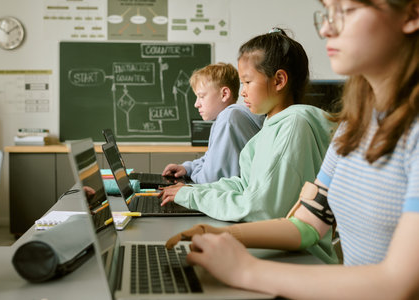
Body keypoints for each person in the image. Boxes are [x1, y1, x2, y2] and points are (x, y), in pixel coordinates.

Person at [165, 0, 419, 298]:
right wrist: (220, 234)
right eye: (326, 13)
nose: (326, 28)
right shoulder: (354, 127)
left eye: (345, 11)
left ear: (412, 13)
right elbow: (308, 224)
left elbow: (400, 283)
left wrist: (246, 270)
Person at [160, 28, 339, 263]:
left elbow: (260, 209)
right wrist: (192, 192)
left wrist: (193, 198)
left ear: (279, 81)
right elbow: (245, 183)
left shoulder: (294, 125)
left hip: (300, 259)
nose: (242, 92)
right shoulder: (270, 125)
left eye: (247, 81)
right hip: (278, 252)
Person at [162, 63, 264, 184]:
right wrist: (187, 168)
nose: (196, 104)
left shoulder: (229, 119)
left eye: (201, 96)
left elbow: (210, 179)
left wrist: (192, 175)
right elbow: (210, 159)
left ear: (224, 94)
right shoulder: (229, 117)